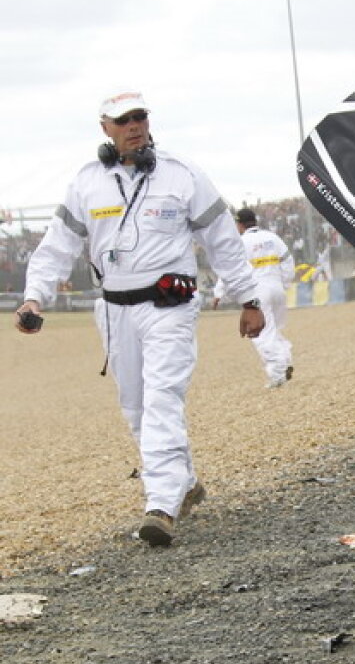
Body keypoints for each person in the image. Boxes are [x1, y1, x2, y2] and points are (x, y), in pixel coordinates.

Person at [13, 90, 265, 547]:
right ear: (105, 128)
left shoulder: (184, 175)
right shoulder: (86, 183)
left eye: (140, 117)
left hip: (169, 306)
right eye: (123, 120)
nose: (134, 126)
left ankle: (161, 505)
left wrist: (250, 300)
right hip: (113, 311)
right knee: (135, 407)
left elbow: (224, 242)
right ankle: (184, 481)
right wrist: (34, 298)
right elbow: (57, 247)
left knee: (163, 397)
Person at [214, 207, 295, 387]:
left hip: (258, 289)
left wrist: (219, 292)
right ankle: (286, 360)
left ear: (239, 224)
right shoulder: (272, 238)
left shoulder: (241, 242)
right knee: (274, 329)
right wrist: (285, 283)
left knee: (262, 333)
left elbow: (231, 268)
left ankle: (277, 374)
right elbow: (288, 260)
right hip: (277, 287)